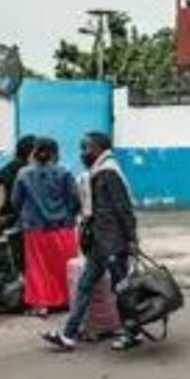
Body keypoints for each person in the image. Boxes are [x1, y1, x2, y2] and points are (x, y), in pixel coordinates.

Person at [42, 131, 140, 352]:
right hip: (99, 243)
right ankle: (68, 335)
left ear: (97, 149)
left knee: (121, 289)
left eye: (85, 148)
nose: (82, 153)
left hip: (113, 243)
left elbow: (124, 208)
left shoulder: (109, 173)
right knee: (85, 285)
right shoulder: (97, 173)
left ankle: (132, 332)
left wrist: (132, 239)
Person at [12, 137, 80, 317]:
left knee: (37, 268)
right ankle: (66, 300)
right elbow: (74, 200)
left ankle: (41, 304)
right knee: (64, 266)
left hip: (34, 228)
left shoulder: (24, 173)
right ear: (55, 153)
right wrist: (68, 216)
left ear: (34, 152)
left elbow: (16, 202)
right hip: (63, 227)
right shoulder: (65, 172)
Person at [0, 134, 37, 227]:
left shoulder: (4, 171)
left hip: (4, 222)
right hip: (19, 224)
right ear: (31, 154)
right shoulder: (28, 173)